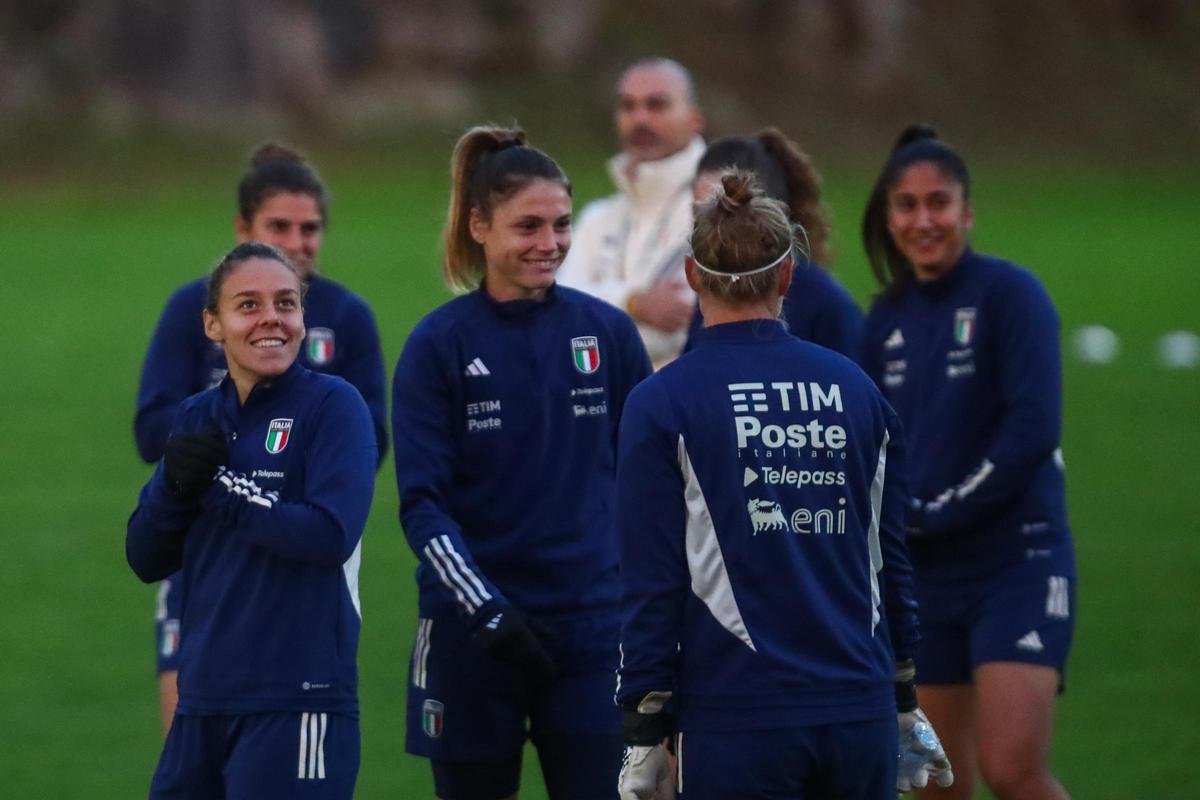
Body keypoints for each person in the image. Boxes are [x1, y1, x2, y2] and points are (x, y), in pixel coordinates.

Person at [614, 170, 951, 800]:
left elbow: (651, 579)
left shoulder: (660, 403)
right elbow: (889, 559)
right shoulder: (858, 391)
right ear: (789, 275)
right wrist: (903, 692)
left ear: (691, 275)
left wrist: (643, 719)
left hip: (736, 718)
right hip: (859, 711)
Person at [393, 125, 653, 800]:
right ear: (479, 226)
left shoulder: (608, 334)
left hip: (592, 636)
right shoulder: (437, 346)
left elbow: (647, 486)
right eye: (528, 226)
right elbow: (421, 504)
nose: (550, 243)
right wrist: (487, 611)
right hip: (473, 636)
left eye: (562, 225)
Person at [133, 143, 388, 733]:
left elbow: (373, 434)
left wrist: (285, 447)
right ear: (243, 229)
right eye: (280, 226)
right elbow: (151, 429)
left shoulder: (348, 316)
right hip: (201, 554)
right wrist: (213, 444)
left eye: (311, 228)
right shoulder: (191, 308)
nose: (298, 242)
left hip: (299, 538)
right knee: (189, 744)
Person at [859, 125, 1075, 800]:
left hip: (1017, 561)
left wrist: (941, 510)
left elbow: (1032, 429)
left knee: (1012, 768)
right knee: (936, 785)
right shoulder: (884, 321)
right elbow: (871, 451)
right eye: (907, 205)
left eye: (939, 203)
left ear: (967, 211)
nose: (924, 220)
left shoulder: (1012, 295)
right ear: (890, 217)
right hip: (926, 577)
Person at [557, 57, 705, 368]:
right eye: (628, 106)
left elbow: (698, 327)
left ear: (694, 119)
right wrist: (634, 302)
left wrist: (594, 321)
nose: (640, 119)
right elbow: (558, 314)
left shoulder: (721, 209)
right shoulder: (597, 218)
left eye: (657, 105)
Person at [683, 129, 863, 357]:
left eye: (730, 215)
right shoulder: (713, 292)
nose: (715, 230)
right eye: (703, 215)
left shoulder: (829, 305)